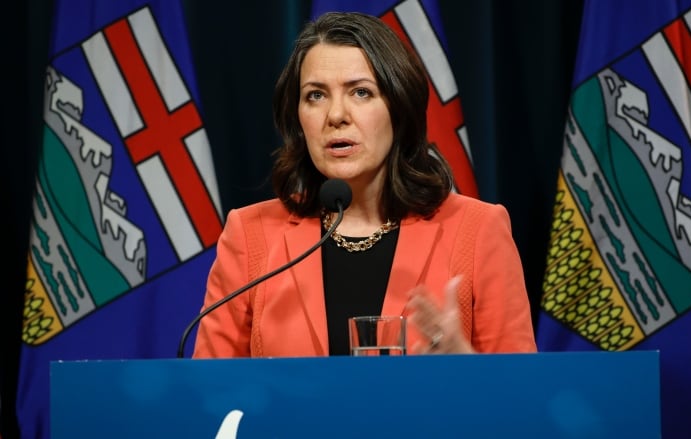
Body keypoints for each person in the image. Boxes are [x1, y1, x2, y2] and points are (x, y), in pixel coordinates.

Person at [192, 11, 536, 358]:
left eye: (360, 92)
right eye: (315, 95)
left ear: (398, 109)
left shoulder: (478, 230)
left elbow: (524, 398)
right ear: (296, 118)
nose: (336, 115)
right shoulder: (250, 236)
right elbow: (207, 395)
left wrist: (467, 368)